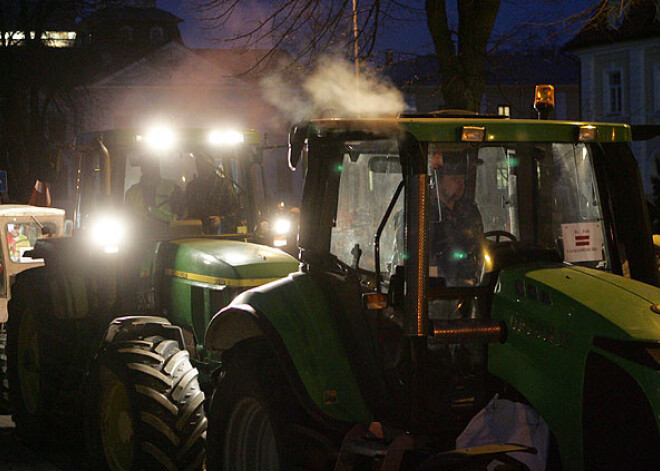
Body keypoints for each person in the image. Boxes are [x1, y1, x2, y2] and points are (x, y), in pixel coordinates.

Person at [429, 149, 485, 286]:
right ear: (438, 181)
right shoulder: (422, 214)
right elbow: (423, 260)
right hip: (439, 289)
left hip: (472, 286)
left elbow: (480, 245)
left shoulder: (469, 211)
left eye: (462, 180)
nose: (460, 184)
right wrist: (437, 283)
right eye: (454, 179)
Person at [185, 157, 239, 234]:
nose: (201, 166)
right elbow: (186, 212)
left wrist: (221, 220)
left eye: (204, 163)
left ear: (211, 165)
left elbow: (235, 213)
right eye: (198, 163)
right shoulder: (192, 187)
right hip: (195, 235)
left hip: (222, 237)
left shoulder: (223, 185)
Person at [125, 156, 184, 225]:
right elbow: (126, 219)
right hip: (139, 234)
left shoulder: (173, 188)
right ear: (142, 169)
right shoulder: (132, 193)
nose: (149, 169)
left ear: (157, 167)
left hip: (170, 233)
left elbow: (181, 216)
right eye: (146, 165)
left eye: (152, 165)